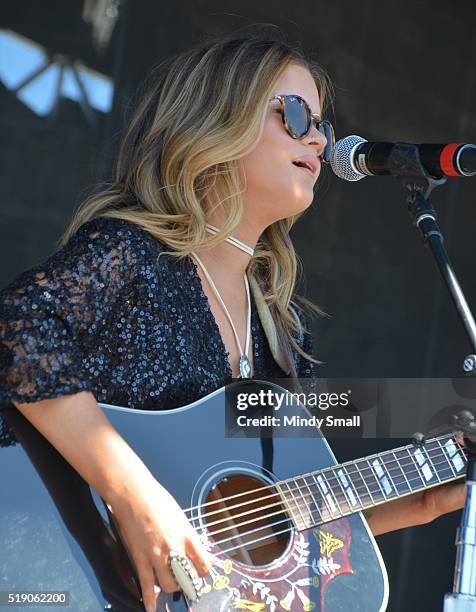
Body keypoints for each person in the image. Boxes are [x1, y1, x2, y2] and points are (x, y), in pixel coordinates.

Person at [0, 31, 466, 612]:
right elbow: (18, 329)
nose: (320, 138)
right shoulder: (133, 253)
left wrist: (425, 498)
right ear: (216, 120)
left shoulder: (283, 330)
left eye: (323, 123)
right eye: (296, 115)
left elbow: (275, 514)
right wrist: (138, 496)